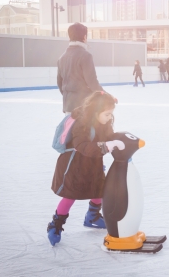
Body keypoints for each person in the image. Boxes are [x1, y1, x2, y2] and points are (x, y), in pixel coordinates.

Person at [47, 91, 124, 246]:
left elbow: (108, 137)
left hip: (93, 162)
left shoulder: (104, 122)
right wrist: (106, 146)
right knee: (71, 195)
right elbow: (82, 146)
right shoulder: (81, 123)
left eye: (111, 114)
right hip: (75, 165)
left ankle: (93, 216)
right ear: (96, 112)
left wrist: (120, 142)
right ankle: (55, 225)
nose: (110, 117)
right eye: (107, 114)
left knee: (99, 189)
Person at [57, 22, 104, 114]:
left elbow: (60, 83)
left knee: (71, 128)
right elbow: (92, 82)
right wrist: (105, 96)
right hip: (83, 106)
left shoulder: (62, 58)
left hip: (68, 106)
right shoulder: (85, 56)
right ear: (84, 37)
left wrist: (70, 96)